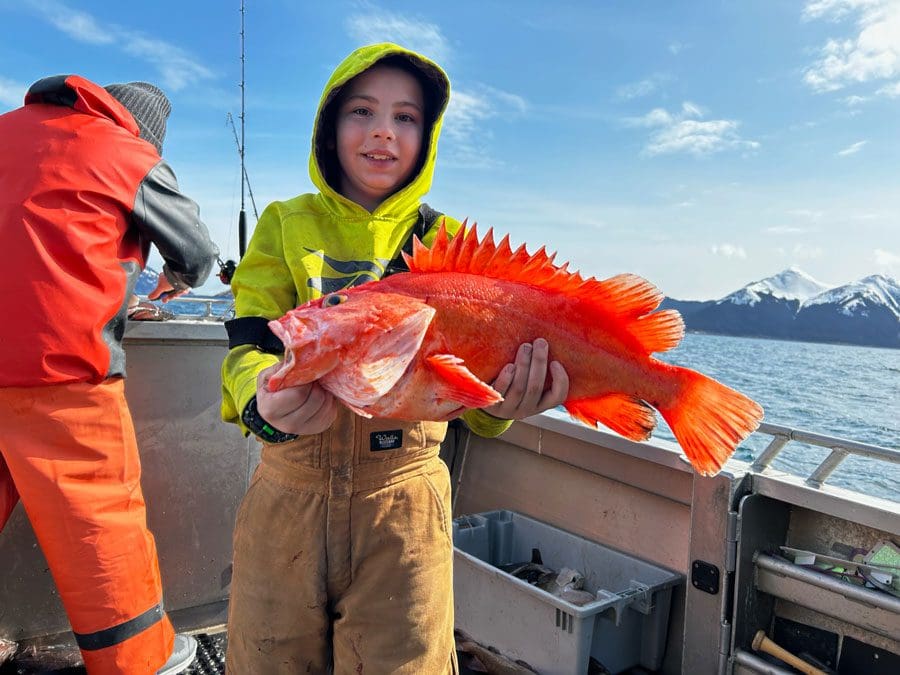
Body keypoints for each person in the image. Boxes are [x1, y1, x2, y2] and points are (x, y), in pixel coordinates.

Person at [221, 43, 569, 673]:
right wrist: (264, 402)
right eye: (362, 111)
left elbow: (478, 398)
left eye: (406, 117)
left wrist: (504, 408)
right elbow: (249, 344)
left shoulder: (448, 244)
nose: (384, 130)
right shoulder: (281, 223)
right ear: (329, 125)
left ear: (427, 136)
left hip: (404, 503)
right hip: (285, 496)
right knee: (264, 657)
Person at [0, 75, 219, 674]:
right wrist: (171, 279)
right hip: (61, 378)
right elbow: (198, 253)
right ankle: (141, 661)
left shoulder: (5, 132)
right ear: (143, 130)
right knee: (101, 531)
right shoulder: (127, 153)